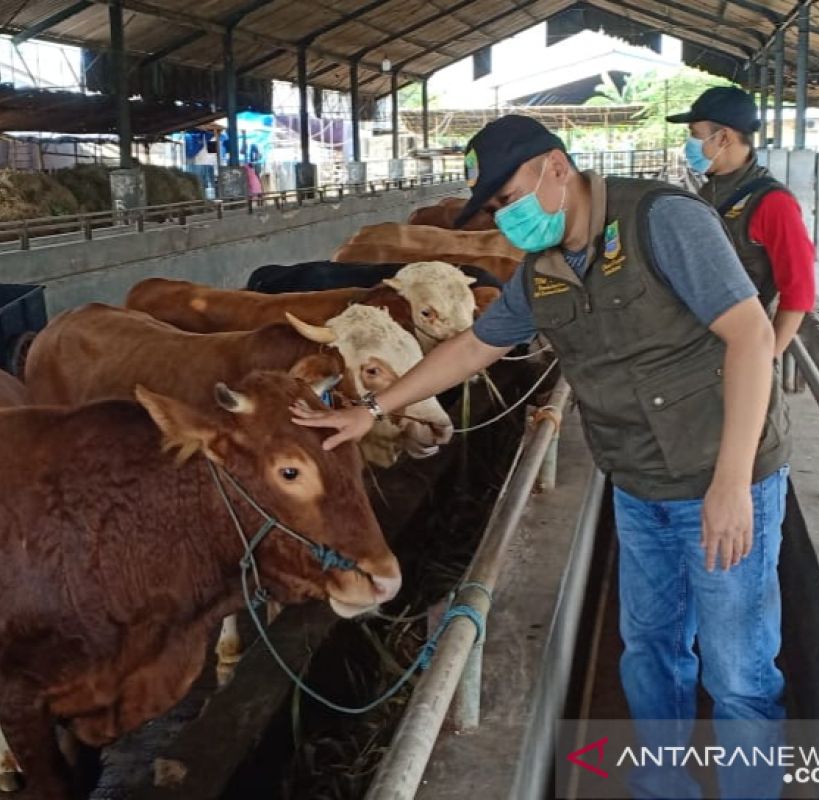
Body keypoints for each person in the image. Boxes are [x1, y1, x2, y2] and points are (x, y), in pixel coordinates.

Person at [292, 115, 789, 797]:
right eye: (493, 208)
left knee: (738, 672)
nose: (506, 217)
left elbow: (751, 336)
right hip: (639, 485)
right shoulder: (542, 270)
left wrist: (732, 483)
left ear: (556, 167)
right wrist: (374, 408)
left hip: (724, 476)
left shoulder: (663, 220)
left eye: (507, 197)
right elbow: (473, 348)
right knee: (651, 655)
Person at [669, 86, 816, 356]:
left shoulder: (773, 203)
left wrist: (764, 361)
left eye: (695, 135)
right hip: (700, 342)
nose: (689, 144)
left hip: (735, 348)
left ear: (723, 137)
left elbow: (799, 293)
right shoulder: (712, 188)